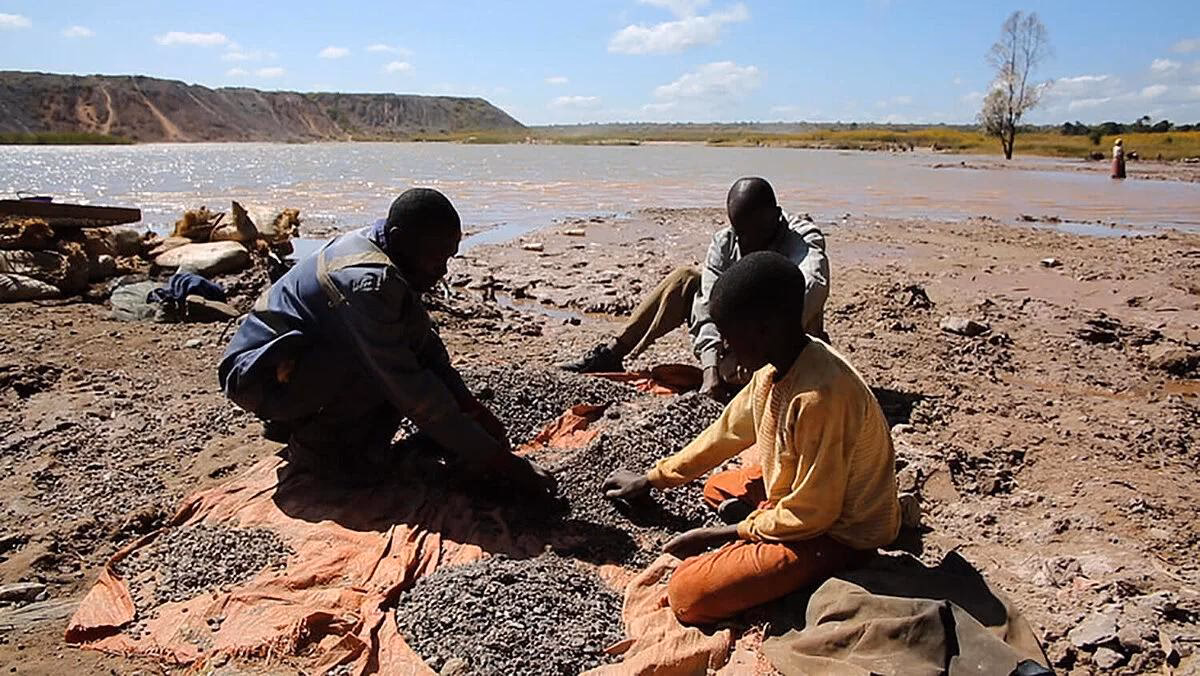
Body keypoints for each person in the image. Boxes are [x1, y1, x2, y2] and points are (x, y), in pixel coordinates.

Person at [601, 251, 899, 625]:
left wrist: (720, 534)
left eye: (729, 335)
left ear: (765, 329)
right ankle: (764, 535)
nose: (724, 348)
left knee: (687, 594)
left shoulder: (820, 397)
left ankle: (805, 566)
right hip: (808, 503)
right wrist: (653, 478)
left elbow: (813, 515)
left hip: (839, 534)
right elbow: (725, 434)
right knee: (718, 488)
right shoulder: (775, 367)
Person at [218, 188, 553, 494]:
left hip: (301, 360)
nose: (443, 271)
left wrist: (469, 406)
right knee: (380, 373)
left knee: (387, 364)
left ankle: (310, 428)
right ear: (401, 239)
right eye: (436, 258)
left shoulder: (388, 250)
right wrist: (505, 465)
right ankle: (314, 450)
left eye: (449, 258)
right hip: (258, 375)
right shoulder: (367, 282)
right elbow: (412, 389)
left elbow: (424, 344)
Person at [561, 177, 829, 400]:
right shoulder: (726, 241)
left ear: (774, 216)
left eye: (752, 233)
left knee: (745, 369)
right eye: (740, 233)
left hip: (781, 341)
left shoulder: (802, 240)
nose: (744, 242)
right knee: (686, 278)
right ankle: (613, 352)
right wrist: (709, 367)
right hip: (736, 336)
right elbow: (708, 303)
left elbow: (808, 292)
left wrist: (750, 344)